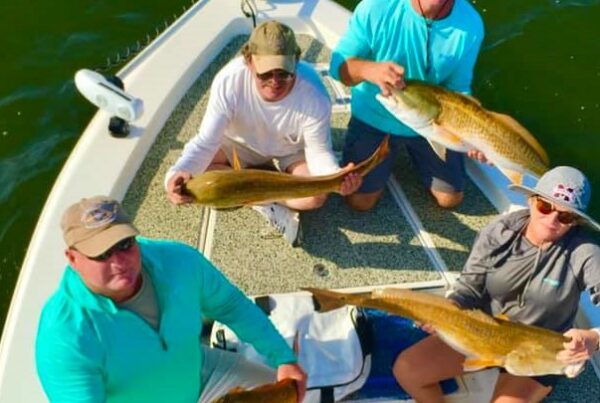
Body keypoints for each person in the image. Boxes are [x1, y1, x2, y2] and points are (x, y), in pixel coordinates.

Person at [35, 196, 307, 402]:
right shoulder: (63, 336)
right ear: (72, 259)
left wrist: (283, 358)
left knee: (288, 394)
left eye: (124, 245)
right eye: (102, 254)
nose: (119, 262)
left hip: (200, 373)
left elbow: (230, 306)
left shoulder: (178, 261)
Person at [392, 166, 600, 402]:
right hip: (482, 331)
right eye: (545, 206)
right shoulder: (500, 231)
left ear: (575, 222)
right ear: (531, 200)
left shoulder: (586, 253)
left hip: (539, 349)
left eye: (565, 216)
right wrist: (449, 309)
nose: (552, 219)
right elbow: (469, 287)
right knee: (407, 369)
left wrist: (594, 338)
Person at [166, 20, 361, 246]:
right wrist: (175, 177)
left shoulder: (314, 95)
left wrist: (336, 177)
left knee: (316, 196)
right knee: (196, 185)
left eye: (283, 72)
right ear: (249, 62)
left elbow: (318, 152)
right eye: (265, 73)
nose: (275, 82)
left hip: (289, 151)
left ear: (296, 61)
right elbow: (206, 142)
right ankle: (265, 201)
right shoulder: (229, 81)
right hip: (236, 147)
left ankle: (255, 195)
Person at [329, 0, 485, 211]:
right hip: (374, 117)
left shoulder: (471, 24)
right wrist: (369, 70)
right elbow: (338, 67)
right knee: (360, 202)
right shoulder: (376, 7)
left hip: (431, 124)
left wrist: (476, 137)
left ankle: (403, 155)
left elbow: (459, 90)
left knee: (450, 199)